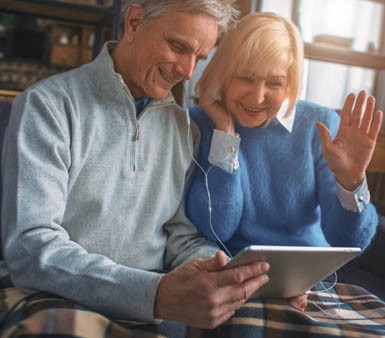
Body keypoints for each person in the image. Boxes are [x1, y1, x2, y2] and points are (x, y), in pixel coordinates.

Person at [0, 0, 272, 330]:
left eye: (199, 58)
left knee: (258, 319)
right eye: (178, 47)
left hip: (155, 299)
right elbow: (30, 248)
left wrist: (226, 277)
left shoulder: (185, 127)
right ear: (133, 23)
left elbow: (181, 238)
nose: (187, 71)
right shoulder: (47, 106)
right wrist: (153, 293)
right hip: (54, 295)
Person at [187, 13, 383, 261]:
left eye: (275, 83)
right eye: (246, 78)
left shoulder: (318, 125)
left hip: (309, 274)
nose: (258, 98)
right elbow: (216, 227)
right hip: (234, 273)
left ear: (290, 83)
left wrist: (352, 182)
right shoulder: (200, 123)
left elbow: (348, 241)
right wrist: (225, 135)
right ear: (224, 74)